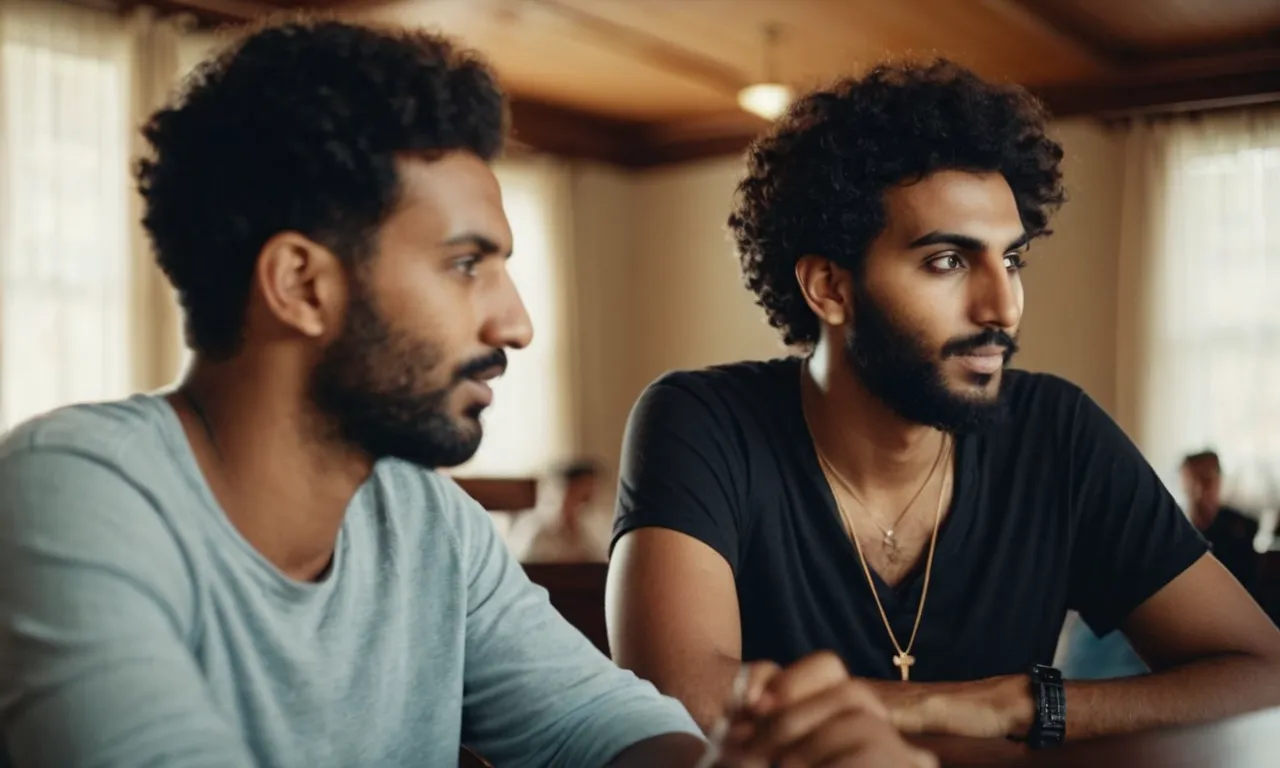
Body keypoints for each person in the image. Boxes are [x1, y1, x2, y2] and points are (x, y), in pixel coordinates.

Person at [0, 18, 933, 768]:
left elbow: (595, 724)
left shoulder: (425, 521)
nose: (516, 324)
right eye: (465, 266)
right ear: (301, 283)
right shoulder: (75, 490)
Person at [606, 59, 1280, 746]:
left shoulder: (1057, 432)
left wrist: (1018, 706)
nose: (1003, 306)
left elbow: (1265, 670)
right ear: (830, 288)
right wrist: (954, 712)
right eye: (948, 262)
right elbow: (678, 697)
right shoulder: (701, 421)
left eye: (1011, 260)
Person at [1182, 451, 1260, 594]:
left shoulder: (1242, 528)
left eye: (1206, 480)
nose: (1199, 489)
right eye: (1193, 480)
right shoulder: (1177, 529)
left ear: (1219, 480)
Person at [512, 459, 613, 563]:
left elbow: (602, 562)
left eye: (590, 496)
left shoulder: (596, 526)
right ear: (564, 490)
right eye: (583, 496)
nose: (586, 504)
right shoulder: (535, 528)